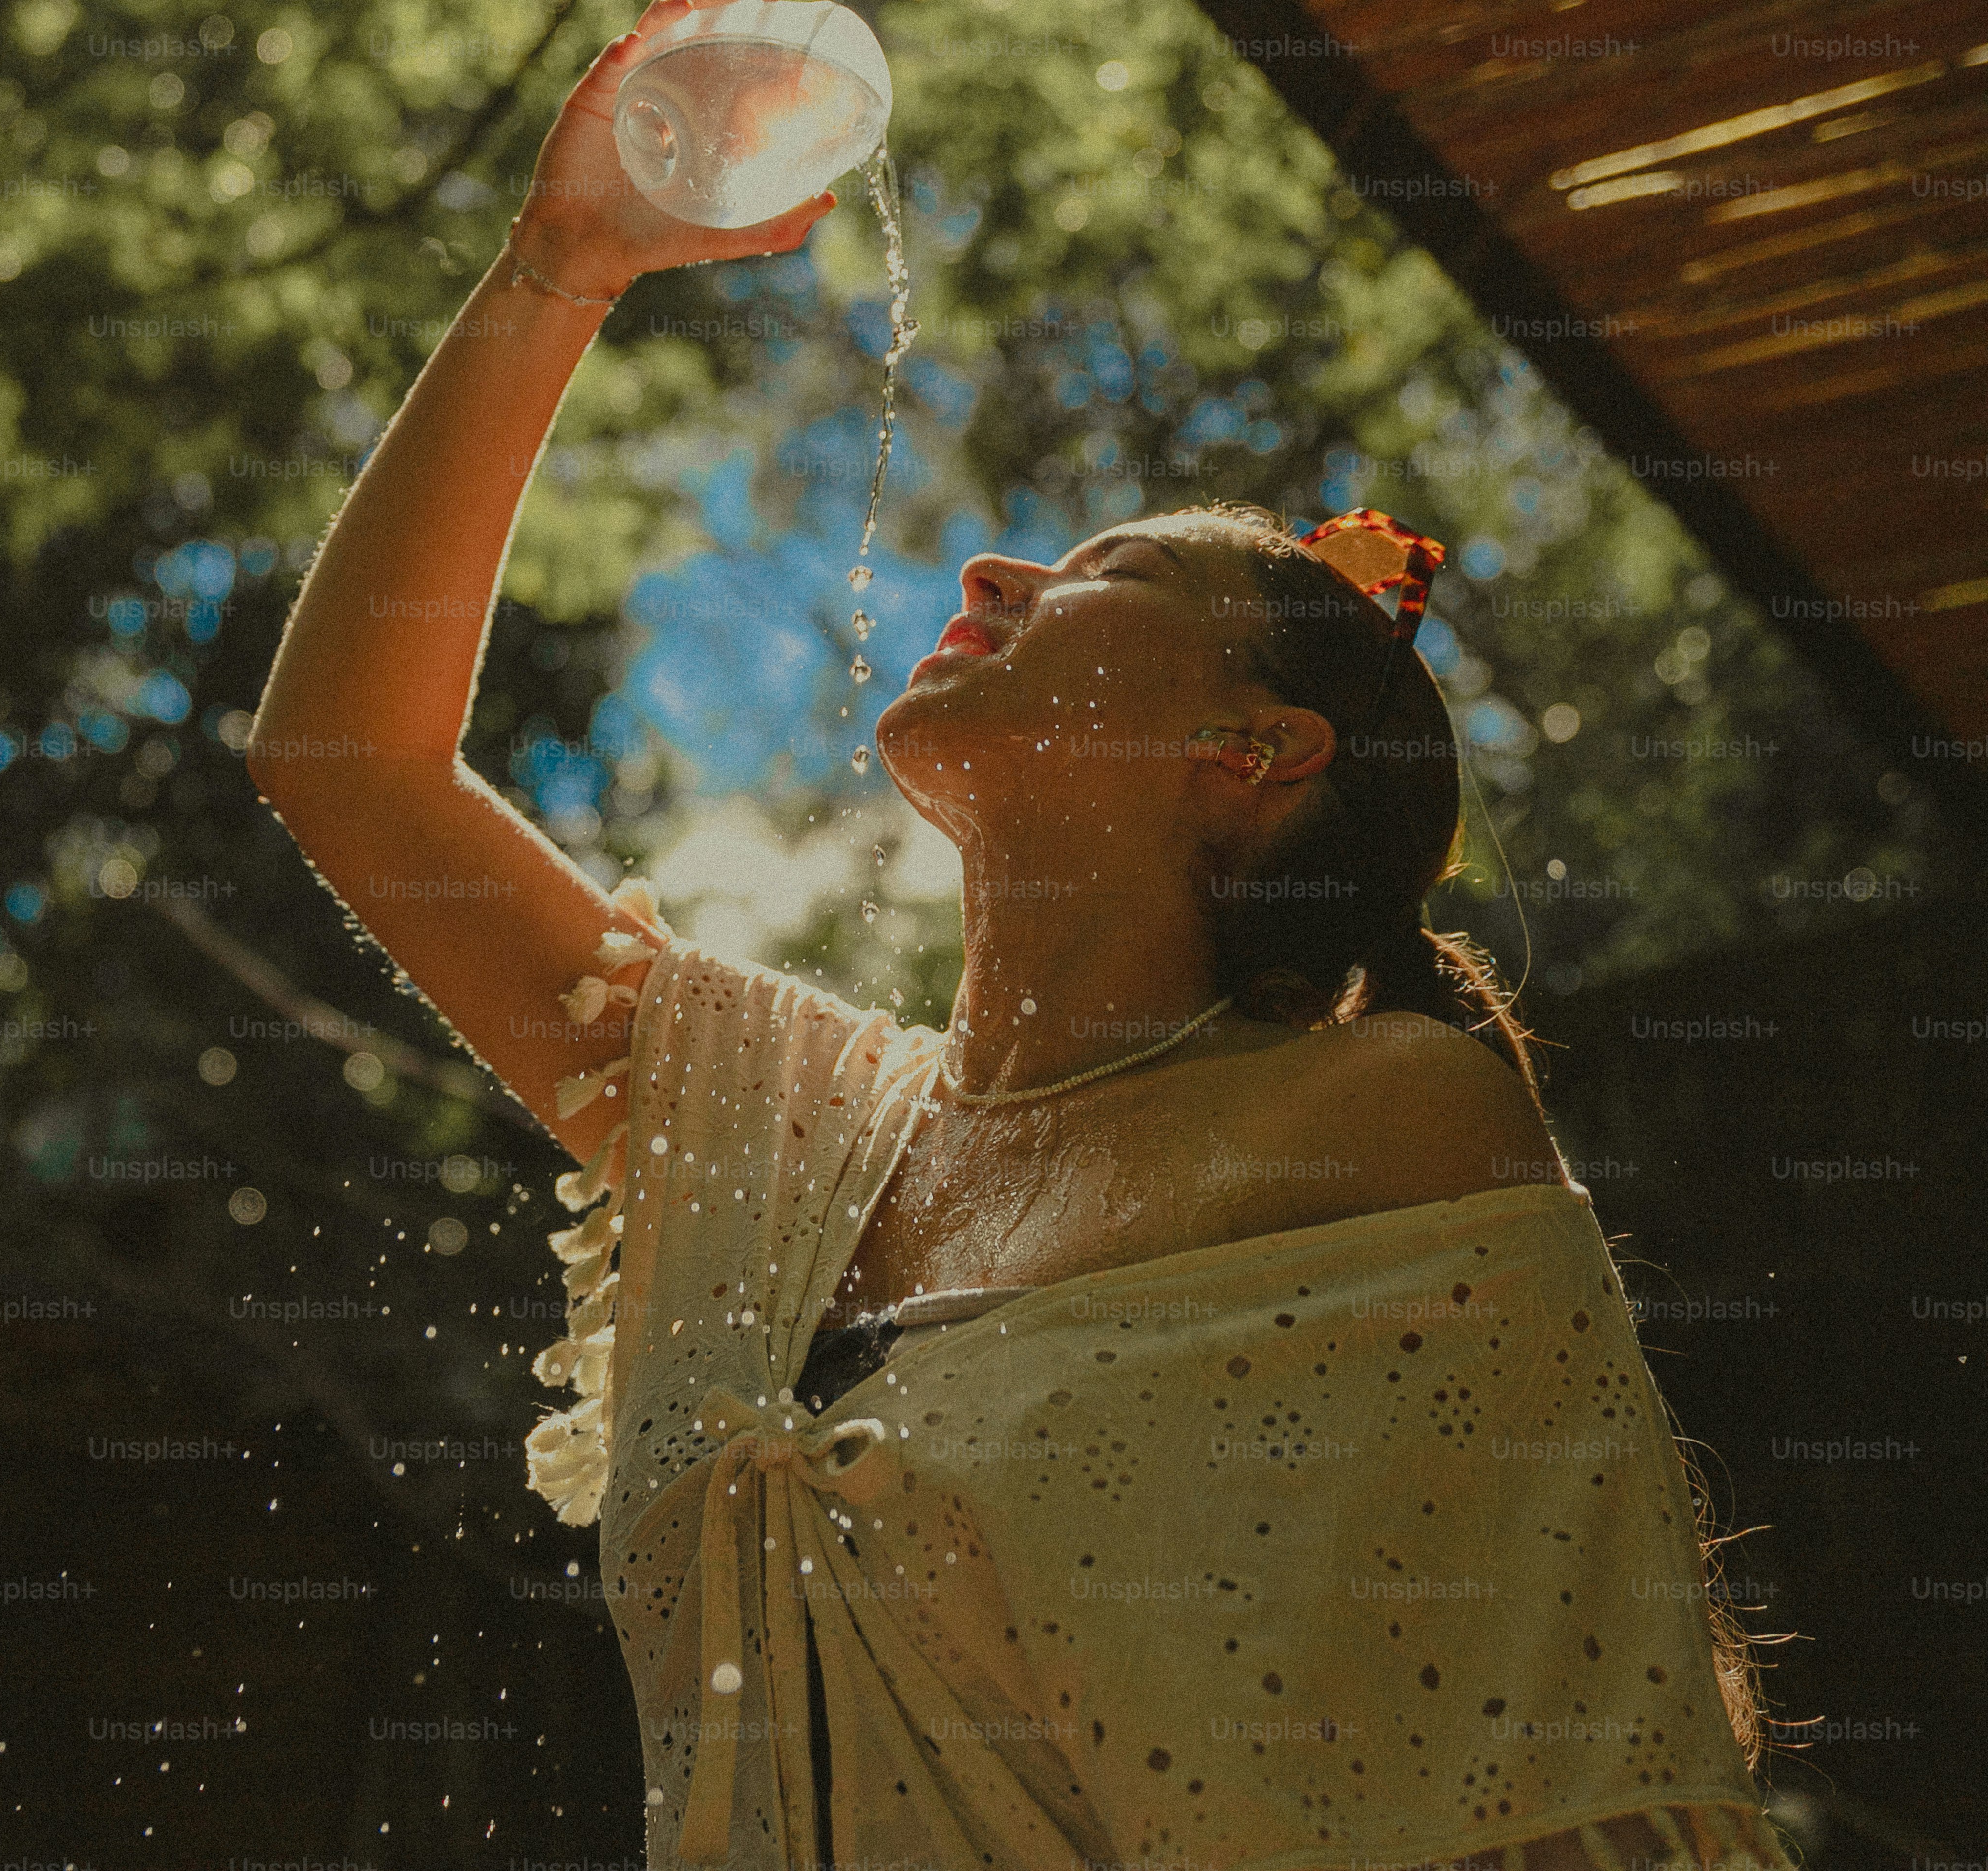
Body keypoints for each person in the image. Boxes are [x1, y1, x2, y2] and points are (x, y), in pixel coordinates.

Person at [246, 5, 1788, 1866]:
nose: (993, 574)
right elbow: (342, 755)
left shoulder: (1385, 1124)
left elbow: (1533, 1762)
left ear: (1255, 751)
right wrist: (558, 260)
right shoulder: (786, 1128)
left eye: (1106, 575)